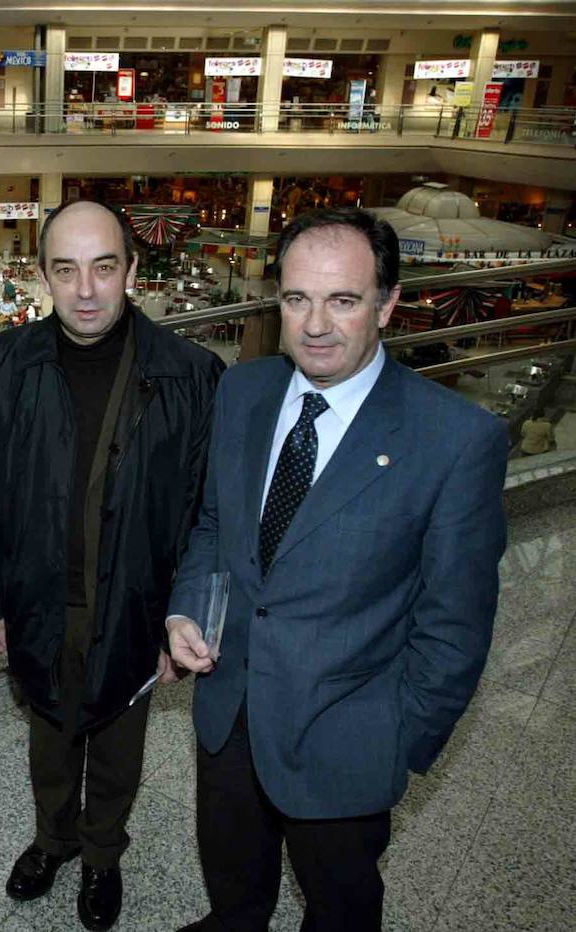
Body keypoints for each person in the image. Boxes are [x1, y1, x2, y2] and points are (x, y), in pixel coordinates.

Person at [165, 207, 509, 932]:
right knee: (233, 887)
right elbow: (215, 526)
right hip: (228, 715)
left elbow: (455, 627)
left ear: (387, 304)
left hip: (345, 743)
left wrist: (393, 742)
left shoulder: (455, 439)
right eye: (297, 299)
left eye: (342, 300)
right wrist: (186, 609)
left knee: (340, 907)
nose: (315, 324)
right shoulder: (245, 391)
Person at [0, 201, 223, 932]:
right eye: (67, 270)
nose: (85, 291)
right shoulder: (1, 365)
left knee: (118, 743)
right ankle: (54, 840)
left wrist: (184, 619)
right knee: (48, 733)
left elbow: (206, 513)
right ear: (42, 273)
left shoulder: (193, 376)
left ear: (133, 271)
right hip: (36, 595)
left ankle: (103, 854)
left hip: (140, 603)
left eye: (104, 268)